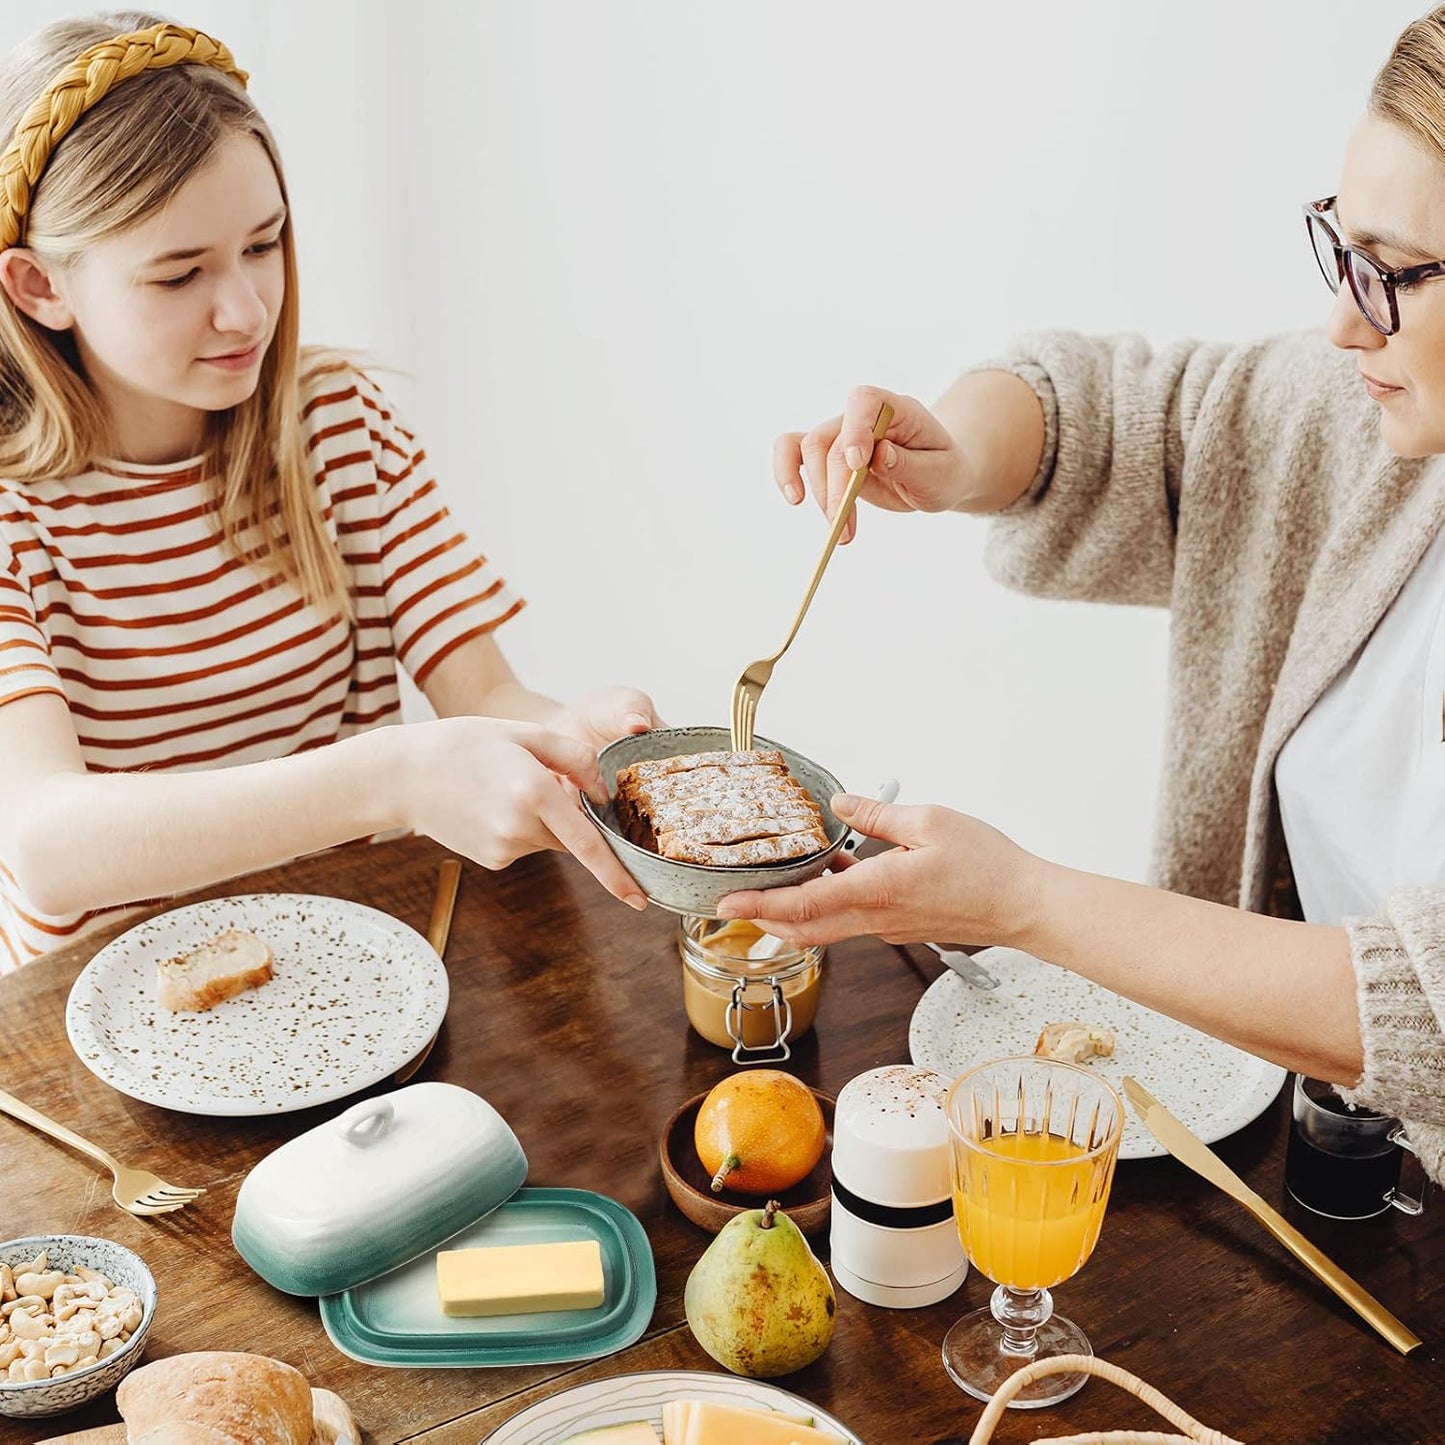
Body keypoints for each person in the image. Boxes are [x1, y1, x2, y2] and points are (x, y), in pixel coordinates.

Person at [721, 7, 1445, 1183]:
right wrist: (954, 447)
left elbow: (1427, 1008)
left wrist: (1019, 900)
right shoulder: (1373, 427)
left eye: (1392, 272)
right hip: (1312, 1164)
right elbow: (1121, 413)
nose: (1340, 318)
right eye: (1336, 245)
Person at [0, 12, 659, 970]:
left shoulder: (338, 422)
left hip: (349, 978)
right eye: (179, 274)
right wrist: (391, 779)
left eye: (263, 246)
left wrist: (564, 739)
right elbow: (44, 844)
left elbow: (484, 691)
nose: (245, 310)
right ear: (37, 288)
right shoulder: (18, 513)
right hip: (106, 1019)